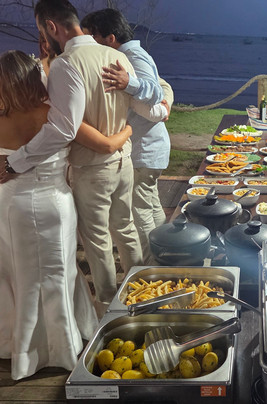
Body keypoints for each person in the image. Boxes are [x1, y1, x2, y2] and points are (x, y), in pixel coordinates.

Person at [0, 0, 165, 316]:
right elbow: (149, 107)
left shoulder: (67, 64)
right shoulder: (118, 57)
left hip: (92, 167)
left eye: (42, 31)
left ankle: (109, 310)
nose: (43, 39)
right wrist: (139, 120)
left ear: (51, 26)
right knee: (126, 229)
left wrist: (15, 161)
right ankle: (145, 295)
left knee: (98, 241)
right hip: (124, 161)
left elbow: (64, 128)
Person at [0, 50, 132, 380]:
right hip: (54, 205)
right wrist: (128, 130)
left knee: (16, 275)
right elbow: (105, 144)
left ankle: (18, 346)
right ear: (34, 77)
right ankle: (63, 344)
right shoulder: (56, 116)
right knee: (59, 272)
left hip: (10, 206)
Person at [81, 8, 173, 264]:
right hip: (150, 149)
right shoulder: (130, 54)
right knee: (151, 207)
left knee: (140, 214)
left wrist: (128, 83)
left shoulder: (131, 56)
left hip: (144, 150)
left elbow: (155, 92)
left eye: (92, 37)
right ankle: (166, 257)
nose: (89, 43)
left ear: (110, 38)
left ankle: (151, 268)